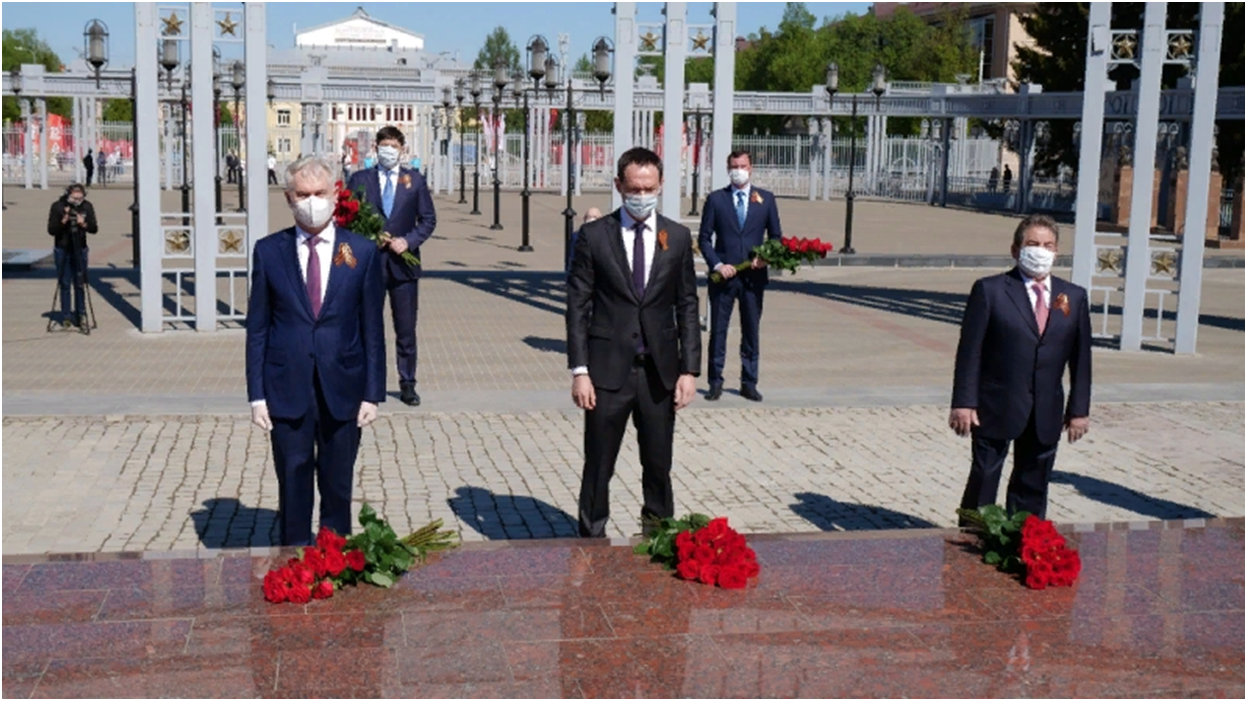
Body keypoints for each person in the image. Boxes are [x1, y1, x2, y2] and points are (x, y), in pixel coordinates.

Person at [245, 156, 386, 546]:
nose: (311, 202)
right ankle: (294, 559)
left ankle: (334, 559)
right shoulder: (269, 252)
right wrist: (257, 395)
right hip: (286, 386)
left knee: (338, 484)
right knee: (293, 480)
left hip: (343, 385)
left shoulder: (361, 252)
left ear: (335, 194)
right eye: (303, 194)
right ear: (289, 198)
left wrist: (373, 392)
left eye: (319, 193)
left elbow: (372, 328)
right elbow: (257, 327)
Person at [566, 147, 702, 538]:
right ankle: (592, 536)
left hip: (659, 373)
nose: (642, 195)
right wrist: (580, 370)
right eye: (634, 188)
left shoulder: (677, 237)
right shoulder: (594, 236)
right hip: (607, 372)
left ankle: (658, 534)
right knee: (599, 464)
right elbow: (577, 305)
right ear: (618, 186)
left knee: (658, 464)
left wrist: (689, 370)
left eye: (649, 188)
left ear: (660, 185)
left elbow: (687, 304)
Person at [950, 213, 1092, 521]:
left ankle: (1025, 538)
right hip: (995, 405)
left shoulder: (1073, 296)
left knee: (1033, 483)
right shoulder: (991, 290)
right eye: (1033, 244)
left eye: (1048, 245)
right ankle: (973, 536)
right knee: (984, 478)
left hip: (1046, 409)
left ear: (1056, 251)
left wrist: (1079, 410)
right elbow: (970, 351)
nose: (1041, 251)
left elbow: (1081, 360)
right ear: (1016, 250)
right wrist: (963, 402)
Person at [347, 126, 437, 407]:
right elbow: (346, 218)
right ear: (376, 148)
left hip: (403, 267)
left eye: (394, 146)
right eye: (384, 145)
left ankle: (407, 382)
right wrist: (368, 238)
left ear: (402, 150)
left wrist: (408, 241)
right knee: (368, 327)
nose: (389, 150)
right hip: (370, 265)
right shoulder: (360, 179)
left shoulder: (415, 181)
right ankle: (369, 384)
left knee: (406, 329)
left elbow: (428, 219)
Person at [697, 150, 783, 402]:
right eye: (734, 166)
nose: (739, 170)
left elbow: (776, 237)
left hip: (753, 279)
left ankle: (749, 382)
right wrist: (717, 264)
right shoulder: (716, 199)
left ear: (751, 168)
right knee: (718, 331)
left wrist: (765, 256)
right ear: (728, 169)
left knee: (751, 331)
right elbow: (704, 238)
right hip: (724, 278)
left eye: (743, 166)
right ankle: (715, 382)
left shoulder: (766, 199)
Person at [45, 183, 98, 329]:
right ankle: (66, 316)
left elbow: (94, 228)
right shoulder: (58, 206)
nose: (77, 202)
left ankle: (81, 315)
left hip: (80, 248)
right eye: (74, 199)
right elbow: (51, 230)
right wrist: (64, 220)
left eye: (80, 198)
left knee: (80, 283)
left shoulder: (86, 206)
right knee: (65, 283)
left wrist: (83, 224)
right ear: (68, 195)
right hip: (63, 248)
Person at [567, 207, 603, 273]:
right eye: (588, 217)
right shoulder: (577, 236)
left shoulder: (605, 236)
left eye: (595, 217)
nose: (591, 219)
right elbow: (572, 257)